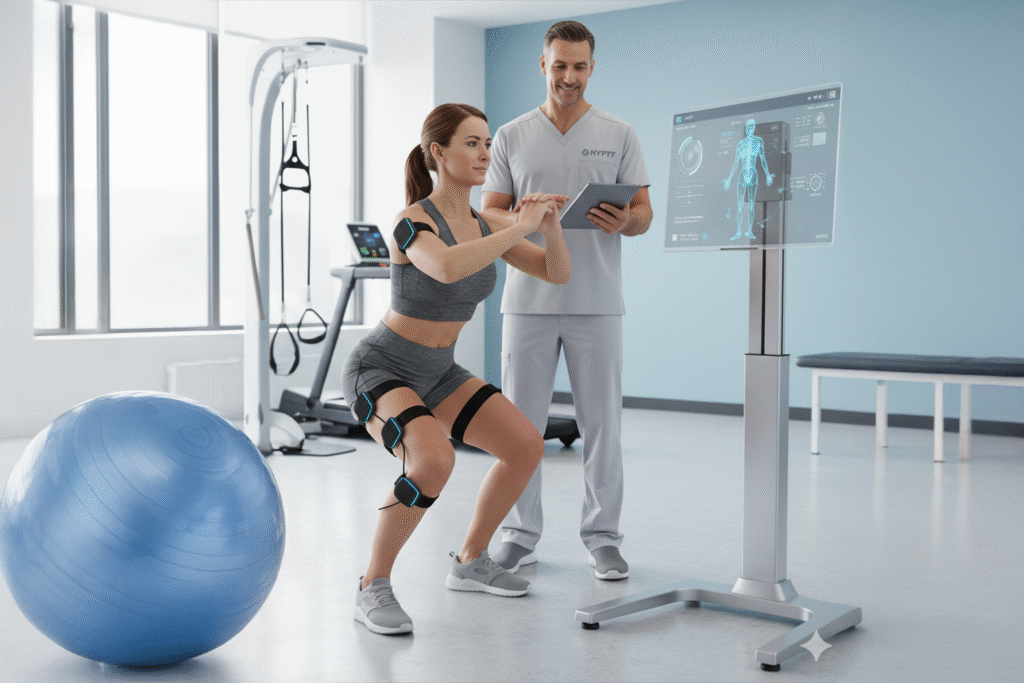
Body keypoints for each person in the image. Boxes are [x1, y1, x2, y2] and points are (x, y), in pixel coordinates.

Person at [342, 103, 571, 635]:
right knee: (432, 461)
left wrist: (549, 227)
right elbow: (445, 267)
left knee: (525, 446)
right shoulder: (412, 221)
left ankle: (471, 560)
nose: (485, 154)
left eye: (488, 144)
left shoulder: (487, 223)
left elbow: (555, 272)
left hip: (439, 370)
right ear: (438, 153)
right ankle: (372, 585)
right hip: (382, 367)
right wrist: (520, 226)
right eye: (472, 143)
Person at [482, 20, 652, 581]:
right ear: (543, 65)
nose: (569, 76)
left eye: (579, 66)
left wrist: (625, 220)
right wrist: (526, 218)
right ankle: (518, 534)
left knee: (602, 426)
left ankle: (603, 538)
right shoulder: (511, 135)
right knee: (519, 428)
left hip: (596, 301)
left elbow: (644, 215)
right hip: (526, 301)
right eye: (560, 65)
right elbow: (489, 214)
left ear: (592, 67)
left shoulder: (619, 133)